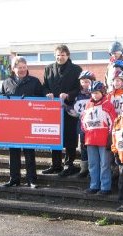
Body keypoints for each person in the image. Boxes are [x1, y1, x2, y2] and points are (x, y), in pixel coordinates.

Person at [1, 56, 43, 188]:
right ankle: (14, 179)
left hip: (29, 122)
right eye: (19, 68)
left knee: (29, 152)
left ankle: (31, 179)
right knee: (13, 153)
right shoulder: (6, 82)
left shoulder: (35, 81)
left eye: (24, 67)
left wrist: (29, 101)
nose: (23, 70)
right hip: (13, 124)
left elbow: (42, 100)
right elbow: (2, 100)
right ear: (13, 69)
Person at [42, 45, 83, 177]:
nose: (60, 57)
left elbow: (79, 88)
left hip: (69, 109)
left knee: (70, 137)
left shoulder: (76, 69)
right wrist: (47, 93)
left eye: (63, 55)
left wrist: (69, 95)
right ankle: (55, 165)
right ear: (55, 55)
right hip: (53, 110)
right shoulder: (48, 69)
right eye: (58, 55)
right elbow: (45, 87)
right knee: (54, 136)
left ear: (68, 55)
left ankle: (69, 164)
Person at [82, 81, 116, 195]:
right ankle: (94, 185)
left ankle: (105, 187)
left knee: (105, 164)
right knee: (93, 164)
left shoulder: (108, 104)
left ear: (102, 92)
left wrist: (110, 138)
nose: (94, 95)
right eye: (92, 93)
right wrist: (85, 133)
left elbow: (113, 122)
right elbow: (83, 121)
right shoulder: (88, 105)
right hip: (90, 139)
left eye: (97, 93)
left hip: (104, 140)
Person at [65, 70, 95, 178]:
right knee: (83, 146)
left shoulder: (96, 94)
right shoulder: (77, 95)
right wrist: (66, 107)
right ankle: (84, 168)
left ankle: (93, 169)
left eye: (87, 82)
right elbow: (73, 109)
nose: (85, 84)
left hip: (94, 125)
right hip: (81, 124)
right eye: (83, 82)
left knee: (92, 146)